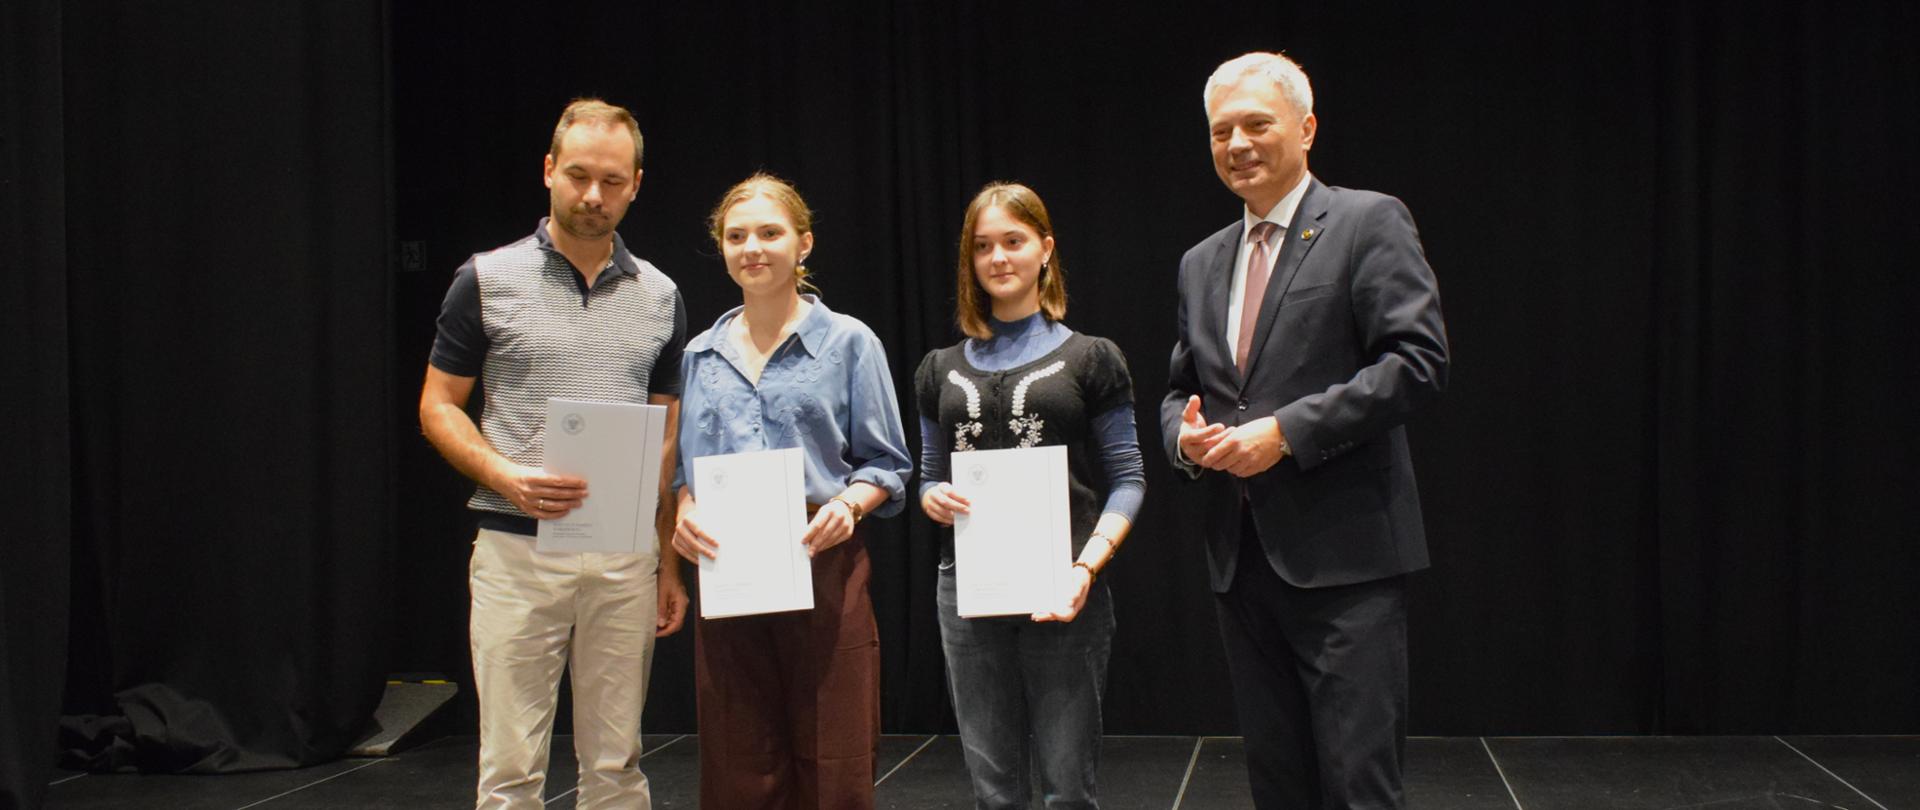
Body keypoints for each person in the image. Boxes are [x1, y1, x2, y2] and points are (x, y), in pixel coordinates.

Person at [1160, 53, 1449, 809]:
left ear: (1307, 127)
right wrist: (1182, 440)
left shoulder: (1366, 220)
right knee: (1278, 782)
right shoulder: (1200, 262)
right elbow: (1178, 391)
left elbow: (1417, 362)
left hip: (1346, 561)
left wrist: (1285, 432)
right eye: (1222, 131)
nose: (1238, 144)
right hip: (1242, 562)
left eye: (1258, 124)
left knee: (1359, 785)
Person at [418, 98, 690, 810]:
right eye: (576, 175)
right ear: (547, 171)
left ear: (636, 183)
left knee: (618, 762)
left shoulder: (660, 296)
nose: (592, 195)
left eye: (610, 180)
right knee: (509, 770)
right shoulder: (486, 278)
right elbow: (437, 405)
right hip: (516, 551)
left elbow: (666, 438)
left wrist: (664, 558)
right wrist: (503, 474)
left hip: (623, 555)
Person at [669, 173, 912, 810]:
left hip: (821, 555)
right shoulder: (699, 354)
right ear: (721, 247)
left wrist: (848, 503)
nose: (753, 247)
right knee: (736, 749)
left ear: (802, 244)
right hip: (727, 565)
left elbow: (886, 463)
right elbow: (682, 473)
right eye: (737, 235)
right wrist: (684, 510)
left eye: (770, 233)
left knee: (834, 744)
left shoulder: (851, 342)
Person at [914, 183, 1146, 809]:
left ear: (1045, 249)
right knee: (994, 786)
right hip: (967, 585)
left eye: (1013, 242)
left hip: (1063, 584)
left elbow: (1128, 478)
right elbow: (930, 474)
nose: (998, 258)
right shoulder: (938, 369)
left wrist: (1086, 566)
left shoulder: (1092, 358)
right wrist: (931, 496)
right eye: (982, 246)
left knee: (1068, 786)